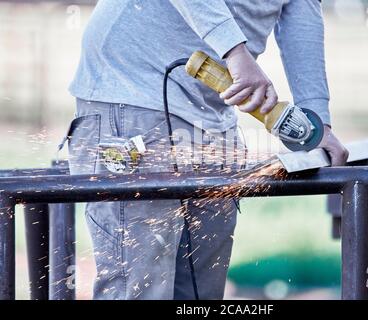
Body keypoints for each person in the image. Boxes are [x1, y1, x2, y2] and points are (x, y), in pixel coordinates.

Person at [66, 0, 348, 300]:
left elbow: (300, 8)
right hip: (135, 89)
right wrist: (235, 52)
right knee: (139, 288)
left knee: (201, 291)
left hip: (212, 105)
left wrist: (316, 120)